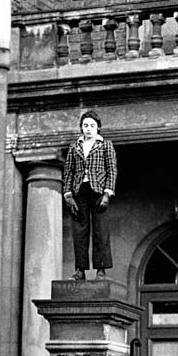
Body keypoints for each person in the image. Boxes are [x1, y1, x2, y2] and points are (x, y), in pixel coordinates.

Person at [63, 110, 117, 280]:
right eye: (85, 125)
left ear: (98, 128)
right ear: (81, 127)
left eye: (92, 126)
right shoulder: (74, 146)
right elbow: (68, 172)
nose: (88, 129)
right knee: (79, 232)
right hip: (80, 191)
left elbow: (112, 170)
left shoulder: (105, 145)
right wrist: (68, 195)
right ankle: (80, 270)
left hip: (98, 192)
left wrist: (108, 194)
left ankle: (101, 269)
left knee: (101, 231)